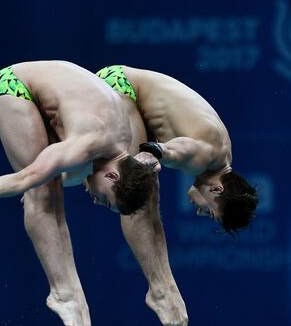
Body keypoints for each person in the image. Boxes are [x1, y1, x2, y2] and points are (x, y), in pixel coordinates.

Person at [0, 61, 188, 326]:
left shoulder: (125, 152)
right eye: (106, 201)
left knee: (62, 176)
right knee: (42, 188)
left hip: (67, 96)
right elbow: (24, 180)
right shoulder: (85, 145)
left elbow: (140, 168)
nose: (96, 202)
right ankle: (62, 292)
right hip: (12, 86)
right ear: (111, 174)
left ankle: (118, 289)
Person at [96, 65, 259, 235]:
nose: (199, 212)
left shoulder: (223, 155)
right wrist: (157, 151)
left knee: (143, 187)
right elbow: (182, 149)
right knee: (134, 198)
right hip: (117, 86)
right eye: (209, 212)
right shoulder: (202, 161)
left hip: (120, 79)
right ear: (217, 189)